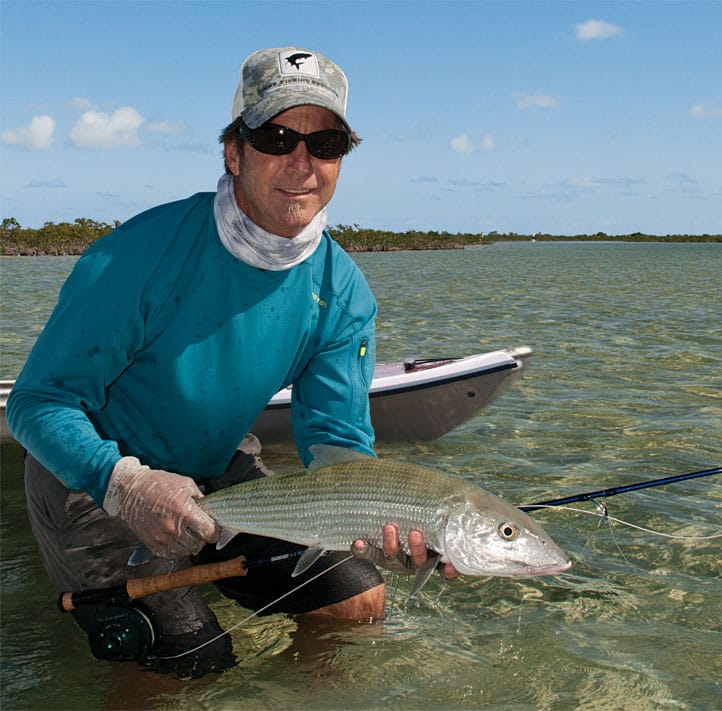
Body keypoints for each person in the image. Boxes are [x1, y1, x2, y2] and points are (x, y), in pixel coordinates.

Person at [7, 46, 455, 679]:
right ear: (234, 151)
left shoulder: (344, 290)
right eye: (277, 137)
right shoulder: (134, 258)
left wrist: (395, 522)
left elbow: (335, 445)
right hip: (92, 473)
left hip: (218, 468)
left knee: (359, 600)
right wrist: (127, 485)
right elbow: (37, 403)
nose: (302, 164)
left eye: (325, 143)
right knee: (189, 661)